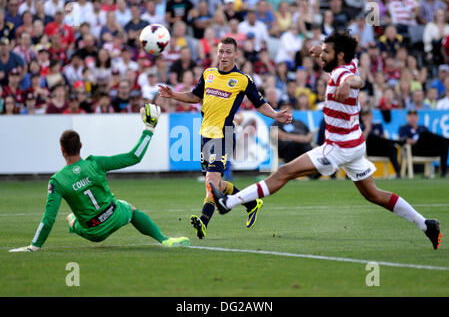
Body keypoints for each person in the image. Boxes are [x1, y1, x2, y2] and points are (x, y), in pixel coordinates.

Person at [208, 30, 442, 251]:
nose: (322, 57)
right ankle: (426, 224)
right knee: (373, 194)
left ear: (339, 56)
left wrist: (347, 83)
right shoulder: (349, 61)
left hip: (338, 147)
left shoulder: (344, 73)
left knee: (284, 172)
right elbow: (347, 62)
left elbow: (357, 81)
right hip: (354, 143)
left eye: (327, 54)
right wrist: (320, 49)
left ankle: (228, 203)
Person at [158, 37, 292, 239]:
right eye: (221, 51)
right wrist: (173, 95)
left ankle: (203, 222)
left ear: (236, 54)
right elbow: (195, 96)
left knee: (211, 181)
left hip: (224, 135)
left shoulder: (242, 79)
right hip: (205, 134)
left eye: (228, 52)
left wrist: (275, 114)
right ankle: (251, 202)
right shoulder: (208, 74)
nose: (224, 56)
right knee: (218, 184)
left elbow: (259, 103)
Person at [9, 104, 190, 252]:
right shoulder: (96, 163)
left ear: (62, 150)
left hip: (93, 231)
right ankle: (163, 240)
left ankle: (66, 226)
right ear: (81, 145)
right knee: (130, 209)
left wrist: (34, 246)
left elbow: (48, 219)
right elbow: (134, 156)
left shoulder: (57, 180)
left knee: (70, 217)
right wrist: (149, 129)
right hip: (114, 215)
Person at [398, 109, 448, 177]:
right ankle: (446, 140)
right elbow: (403, 140)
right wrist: (414, 141)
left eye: (414, 116)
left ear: (417, 118)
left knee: (443, 143)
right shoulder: (403, 128)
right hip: (415, 149)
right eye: (410, 116)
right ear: (407, 118)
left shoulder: (422, 127)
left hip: (426, 149)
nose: (412, 118)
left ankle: (444, 171)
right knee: (424, 134)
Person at [360, 109, 402, 178]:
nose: (366, 118)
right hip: (368, 150)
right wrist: (367, 128)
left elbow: (383, 138)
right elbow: (362, 141)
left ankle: (398, 172)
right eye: (364, 116)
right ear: (362, 118)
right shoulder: (360, 127)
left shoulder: (378, 126)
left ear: (371, 116)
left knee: (391, 147)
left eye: (368, 115)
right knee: (371, 136)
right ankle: (397, 142)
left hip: (379, 149)